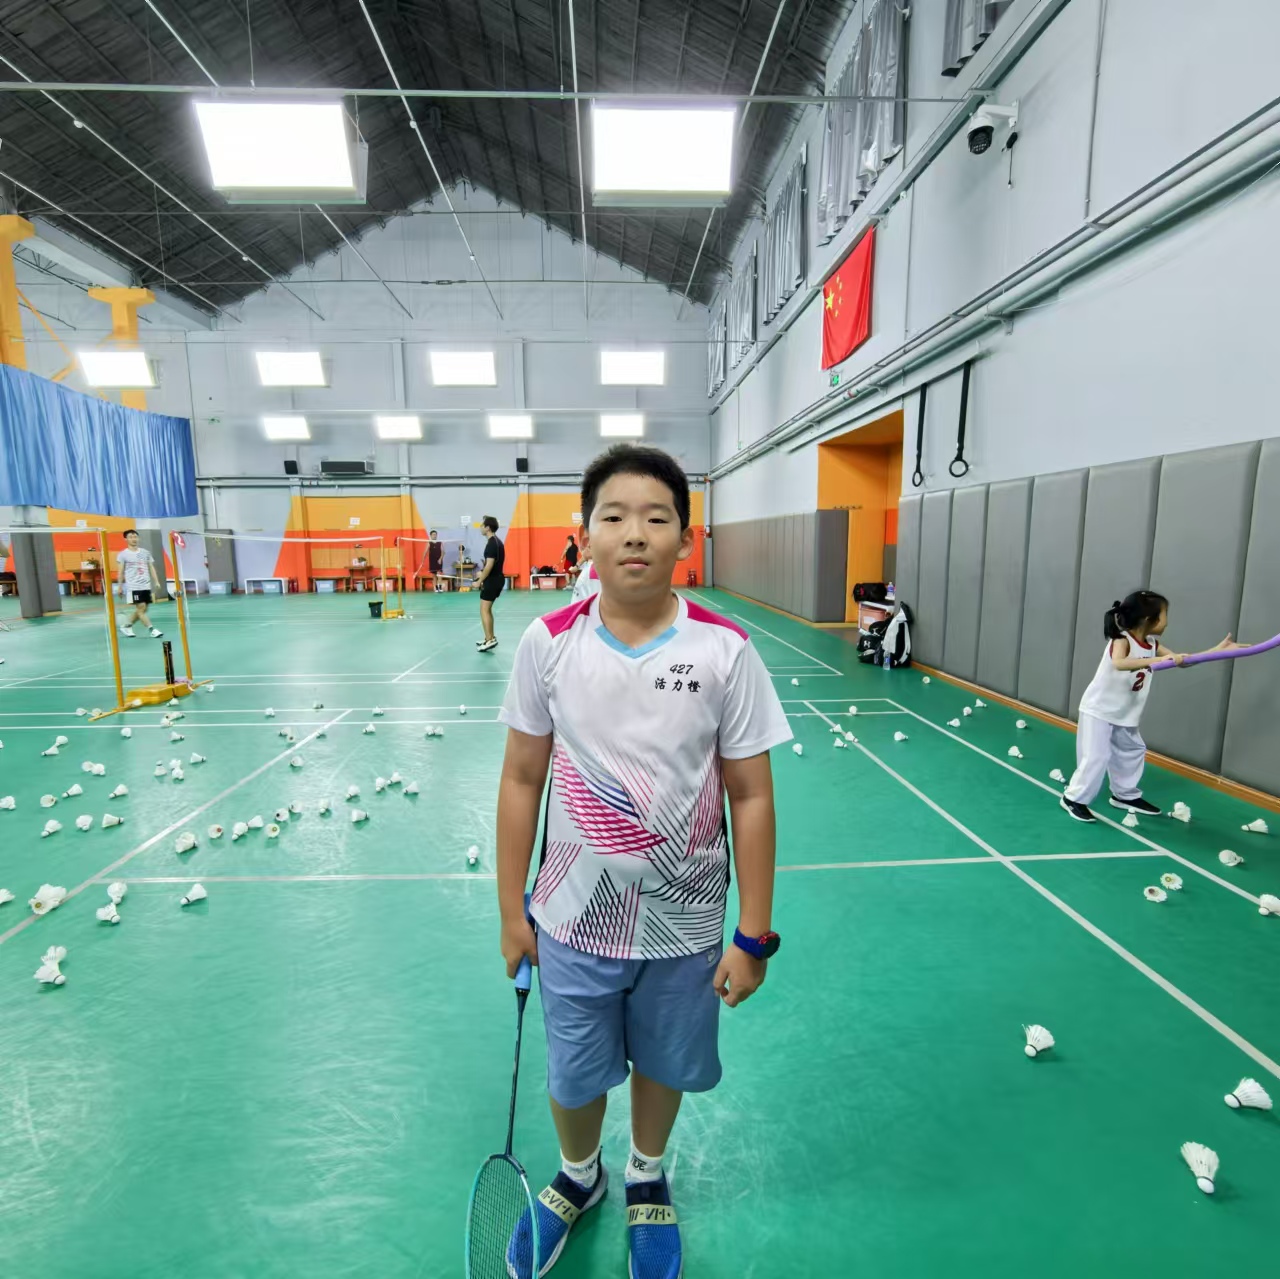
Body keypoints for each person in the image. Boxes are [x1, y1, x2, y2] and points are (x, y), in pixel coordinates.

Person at [496, 443, 792, 1279]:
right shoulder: (549, 642)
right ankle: (578, 1174)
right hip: (571, 915)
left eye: (657, 517)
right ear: (584, 535)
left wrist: (754, 934)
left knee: (665, 1060)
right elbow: (521, 778)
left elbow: (751, 795)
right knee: (574, 1070)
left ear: (685, 540)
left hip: (685, 921)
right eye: (615, 516)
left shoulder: (725, 650)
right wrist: (511, 911)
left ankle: (646, 1173)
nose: (635, 533)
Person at [1061, 591, 1244, 822]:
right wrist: (1157, 660)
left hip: (1125, 713)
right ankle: (1074, 798)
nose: (1167, 622)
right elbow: (1119, 663)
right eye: (1165, 615)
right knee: (1097, 756)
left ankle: (1124, 795)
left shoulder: (1151, 644)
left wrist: (1217, 651)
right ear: (1149, 619)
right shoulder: (1122, 640)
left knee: (1132, 751)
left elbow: (1182, 661)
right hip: (1099, 710)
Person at [116, 529, 164, 639]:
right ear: (126, 539)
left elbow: (151, 567)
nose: (134, 539)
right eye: (131, 537)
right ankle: (152, 630)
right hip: (134, 586)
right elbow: (121, 571)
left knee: (143, 610)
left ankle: (126, 626)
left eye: (135, 537)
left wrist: (156, 581)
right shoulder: (123, 555)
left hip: (146, 585)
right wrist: (120, 587)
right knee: (141, 607)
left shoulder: (145, 553)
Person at [475, 516, 505, 653]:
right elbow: (490, 565)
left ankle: (489, 640)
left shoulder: (491, 544)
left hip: (492, 581)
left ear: (487, 528)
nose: (480, 527)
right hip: (496, 579)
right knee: (487, 610)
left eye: (482, 525)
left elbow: (489, 565)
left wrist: (479, 581)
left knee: (484, 610)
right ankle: (490, 637)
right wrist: (482, 573)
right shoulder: (497, 542)